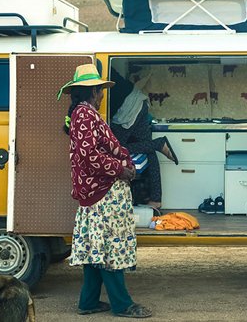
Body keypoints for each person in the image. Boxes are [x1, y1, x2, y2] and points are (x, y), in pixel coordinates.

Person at [57, 63, 152, 318]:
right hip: (103, 192)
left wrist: (124, 163)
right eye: (100, 91)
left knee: (95, 246)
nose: (102, 96)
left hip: (96, 192)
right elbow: (90, 155)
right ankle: (122, 304)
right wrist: (121, 169)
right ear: (93, 91)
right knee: (111, 246)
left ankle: (88, 302)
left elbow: (92, 152)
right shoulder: (86, 115)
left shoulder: (81, 114)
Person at [108, 68, 178, 210]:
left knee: (113, 149)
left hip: (127, 110)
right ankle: (156, 200)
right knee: (148, 149)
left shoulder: (98, 70)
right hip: (139, 101)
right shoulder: (110, 70)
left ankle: (157, 143)